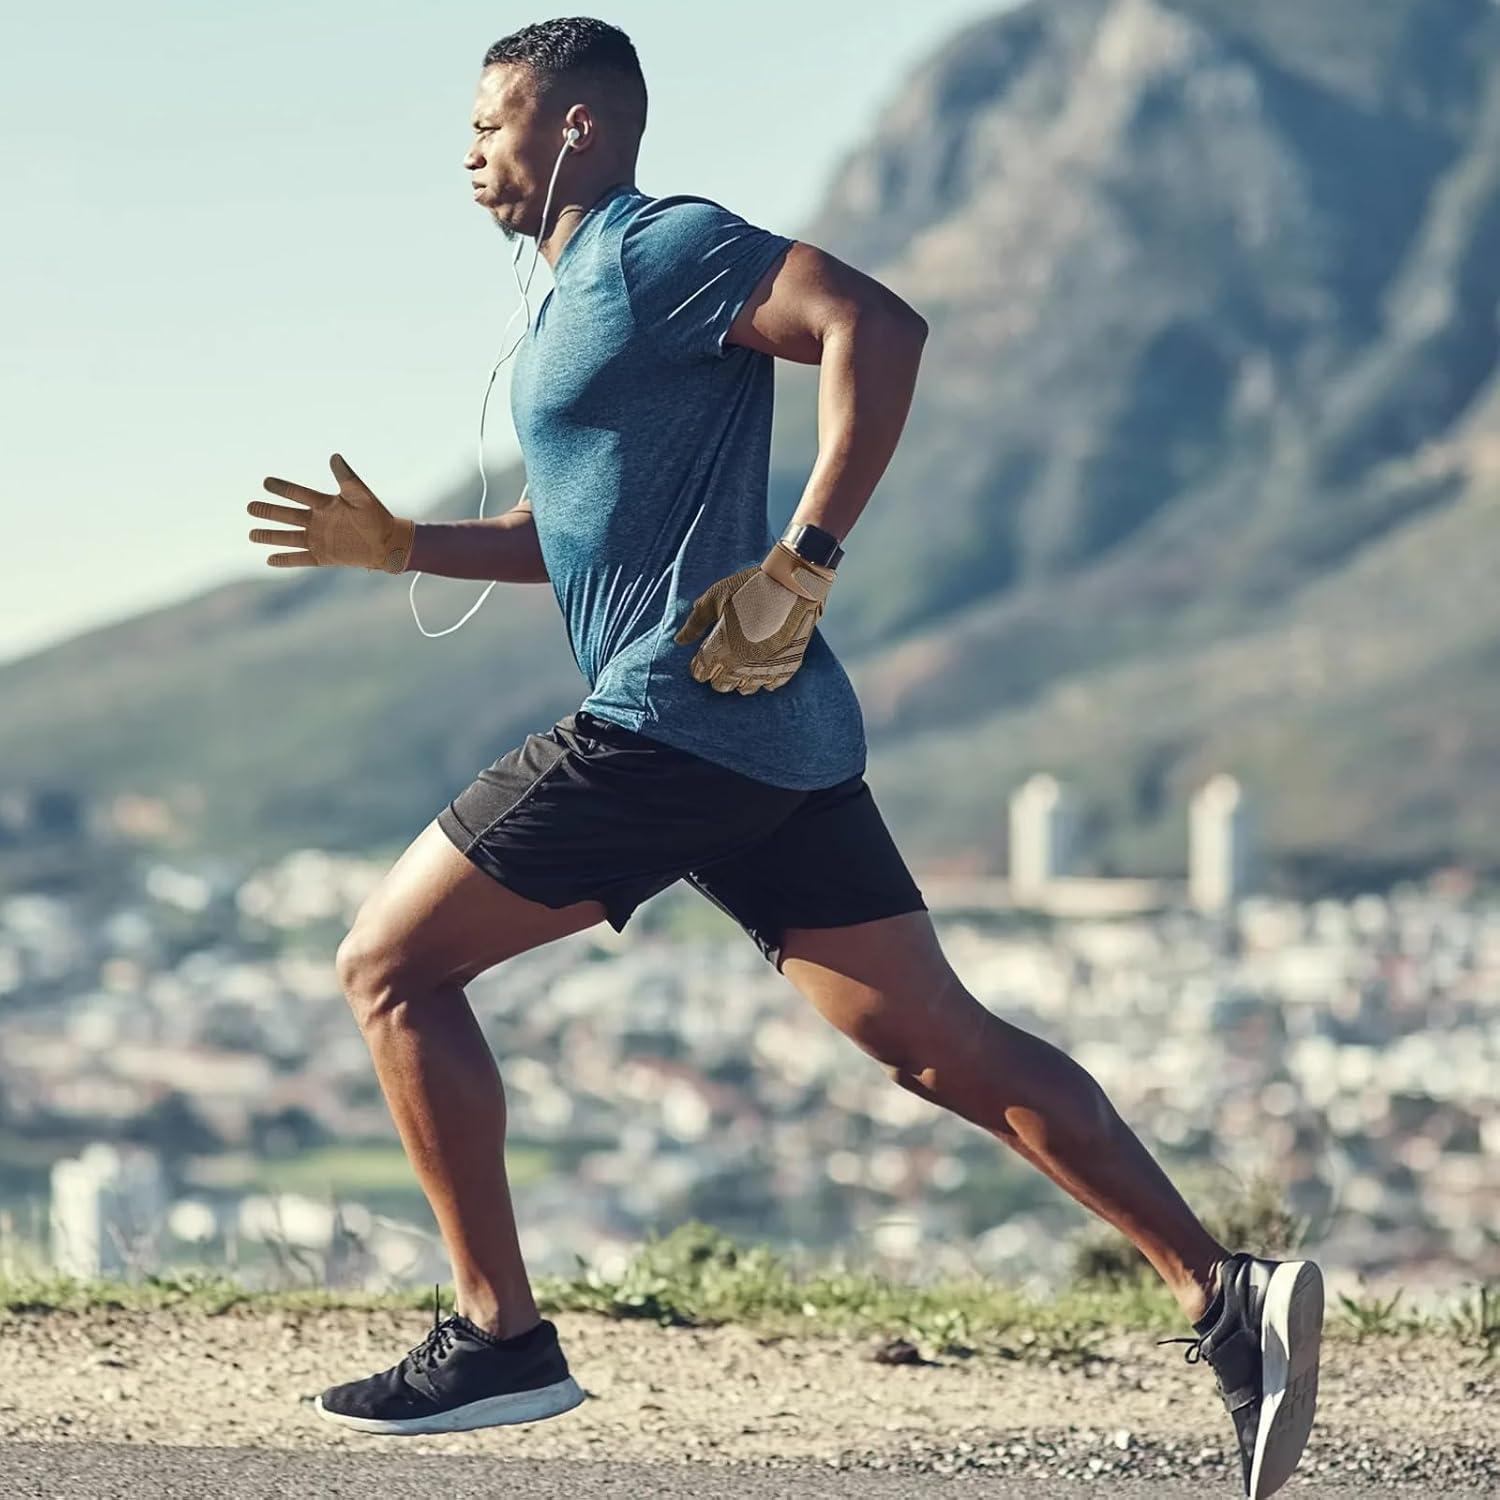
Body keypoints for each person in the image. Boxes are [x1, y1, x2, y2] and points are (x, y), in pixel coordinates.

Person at [246, 16, 1322, 1496]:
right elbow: (571, 540)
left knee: (389, 968)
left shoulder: (654, 246)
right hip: (768, 740)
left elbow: (877, 325)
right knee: (937, 1045)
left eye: (492, 121)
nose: (470, 152)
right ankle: (1228, 1301)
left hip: (675, 719)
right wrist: (404, 546)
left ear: (574, 125)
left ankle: (501, 1340)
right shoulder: (574, 304)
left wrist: (807, 556)